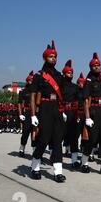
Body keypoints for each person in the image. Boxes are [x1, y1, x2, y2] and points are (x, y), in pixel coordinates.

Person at [29, 41, 67, 183]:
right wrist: (33, 114)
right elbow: (33, 95)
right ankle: (35, 166)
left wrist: (62, 110)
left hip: (56, 109)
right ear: (45, 58)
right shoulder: (39, 75)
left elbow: (61, 95)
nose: (54, 59)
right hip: (44, 108)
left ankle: (58, 172)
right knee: (43, 139)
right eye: (51, 56)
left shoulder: (59, 76)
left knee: (57, 140)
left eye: (55, 57)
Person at [17, 71, 36, 157]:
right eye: (31, 80)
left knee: (35, 132)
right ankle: (22, 148)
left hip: (36, 113)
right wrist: (21, 114)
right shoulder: (23, 92)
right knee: (26, 132)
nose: (32, 81)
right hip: (27, 112)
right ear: (27, 81)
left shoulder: (37, 91)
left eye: (33, 80)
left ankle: (35, 151)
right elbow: (20, 104)